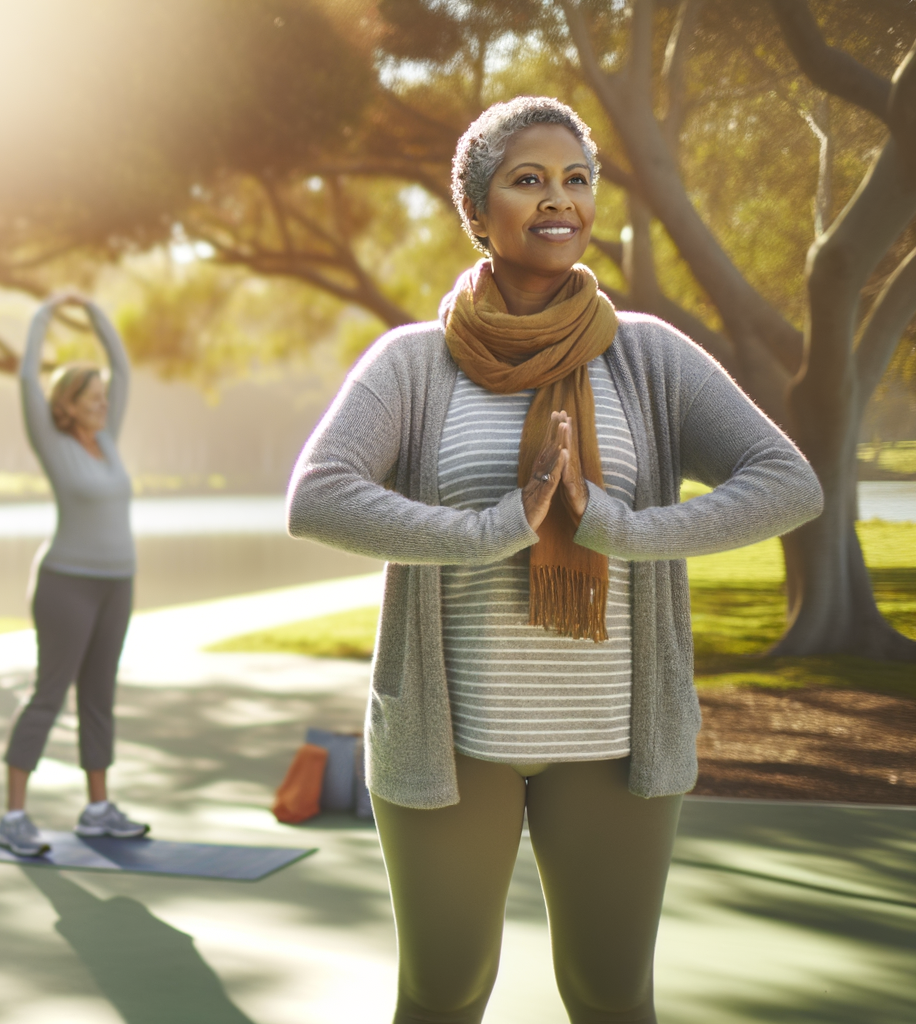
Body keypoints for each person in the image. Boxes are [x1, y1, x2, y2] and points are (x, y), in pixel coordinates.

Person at [285, 97, 822, 1023]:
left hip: (612, 738)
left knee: (613, 996)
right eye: (527, 180)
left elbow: (788, 483)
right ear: (476, 207)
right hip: (453, 741)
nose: (558, 199)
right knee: (444, 991)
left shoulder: (648, 357)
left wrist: (622, 529)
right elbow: (317, 496)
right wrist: (494, 528)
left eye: (576, 180)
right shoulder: (413, 363)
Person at [0, 292, 150, 858]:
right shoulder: (53, 443)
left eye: (104, 397)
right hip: (67, 584)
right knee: (49, 693)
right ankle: (13, 816)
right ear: (69, 404)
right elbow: (25, 380)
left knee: (99, 695)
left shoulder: (106, 439)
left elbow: (123, 369)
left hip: (117, 582)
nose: (104, 403)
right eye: (93, 397)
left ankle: (97, 809)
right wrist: (44, 315)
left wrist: (95, 314)